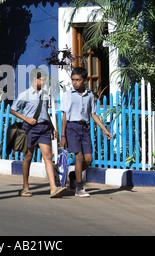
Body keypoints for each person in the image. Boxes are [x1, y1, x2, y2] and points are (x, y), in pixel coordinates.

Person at [10, 68, 68, 198]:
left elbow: (45, 112)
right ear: (34, 79)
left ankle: (53, 188)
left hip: (44, 128)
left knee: (48, 157)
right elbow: (13, 110)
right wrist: (26, 119)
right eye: (42, 80)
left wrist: (52, 127)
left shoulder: (45, 94)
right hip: (30, 128)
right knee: (28, 157)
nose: (44, 82)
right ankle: (25, 186)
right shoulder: (24, 95)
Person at [59, 67, 114, 197]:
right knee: (78, 157)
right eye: (73, 80)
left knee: (88, 159)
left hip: (84, 128)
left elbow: (93, 114)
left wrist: (104, 129)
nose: (75, 83)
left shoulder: (89, 95)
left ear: (85, 81)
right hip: (72, 128)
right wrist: (63, 136)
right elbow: (64, 115)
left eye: (78, 80)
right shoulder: (68, 95)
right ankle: (79, 188)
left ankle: (73, 175)